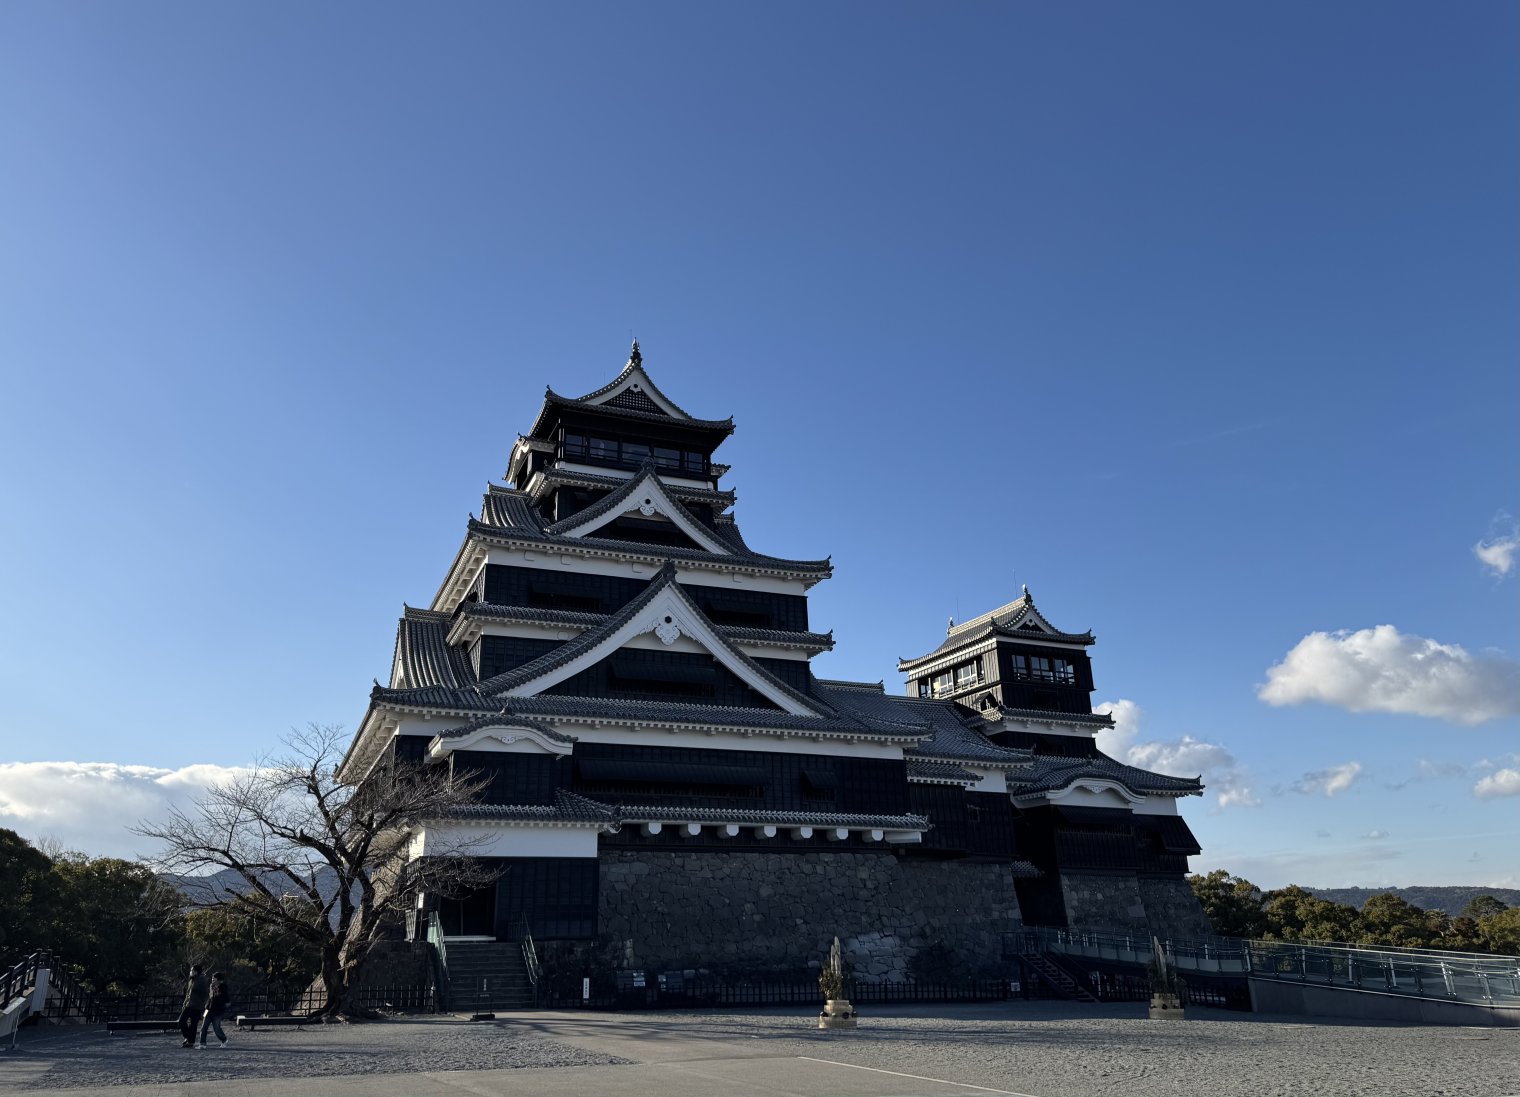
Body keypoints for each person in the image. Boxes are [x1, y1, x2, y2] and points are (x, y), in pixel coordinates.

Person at [177, 965, 209, 1047]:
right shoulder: (191, 980)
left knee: (193, 1025)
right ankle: (188, 1037)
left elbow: (205, 994)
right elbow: (188, 993)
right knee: (181, 1021)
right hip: (188, 1005)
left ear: (196, 971)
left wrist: (203, 1007)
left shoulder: (202, 980)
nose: (191, 972)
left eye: (192, 970)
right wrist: (184, 1003)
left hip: (197, 1006)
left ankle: (191, 1042)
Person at [199, 972, 231, 1047]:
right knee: (204, 1027)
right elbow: (210, 998)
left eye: (214, 979)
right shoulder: (211, 986)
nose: (212, 980)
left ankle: (224, 1039)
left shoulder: (223, 987)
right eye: (212, 978)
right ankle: (202, 1043)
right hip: (208, 1009)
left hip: (218, 1011)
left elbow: (226, 998)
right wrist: (205, 1011)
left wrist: (226, 1005)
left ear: (219, 980)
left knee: (216, 1028)